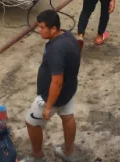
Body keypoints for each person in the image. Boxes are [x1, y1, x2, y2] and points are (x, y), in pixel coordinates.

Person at [23, 10, 81, 162]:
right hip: (69, 90)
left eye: (42, 28)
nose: (38, 30)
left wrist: (48, 106)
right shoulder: (68, 36)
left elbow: (57, 82)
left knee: (31, 123)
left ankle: (37, 157)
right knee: (68, 118)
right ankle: (68, 153)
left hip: (53, 94)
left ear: (53, 29)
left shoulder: (55, 50)